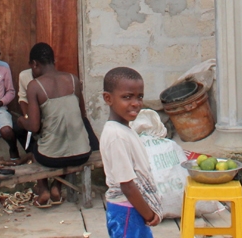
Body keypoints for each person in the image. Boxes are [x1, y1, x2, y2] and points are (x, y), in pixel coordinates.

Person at [19, 43, 92, 207]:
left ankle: (43, 188)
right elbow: (82, 115)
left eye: (31, 67)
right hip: (82, 153)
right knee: (63, 142)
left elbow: (34, 126)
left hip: (51, 158)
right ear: (53, 60)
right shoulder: (73, 80)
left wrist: (21, 121)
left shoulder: (35, 86)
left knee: (34, 147)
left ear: (35, 64)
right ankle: (57, 187)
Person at [100, 67, 161, 238]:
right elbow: (127, 185)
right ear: (108, 98)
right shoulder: (116, 136)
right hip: (126, 211)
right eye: (127, 97)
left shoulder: (125, 129)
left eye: (139, 96)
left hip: (131, 209)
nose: (136, 103)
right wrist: (148, 214)